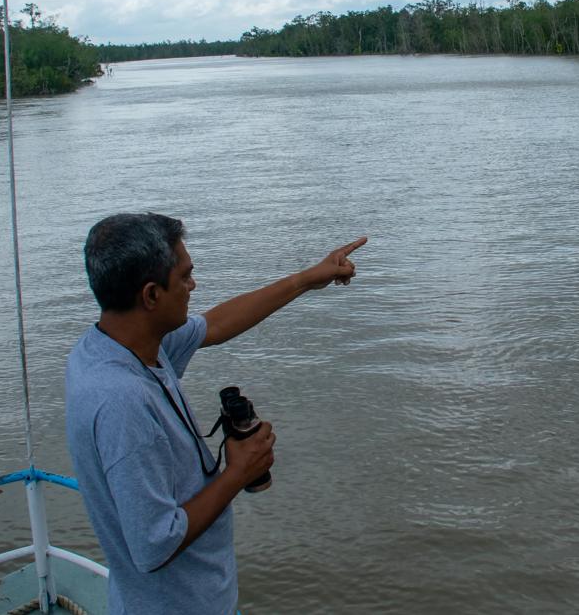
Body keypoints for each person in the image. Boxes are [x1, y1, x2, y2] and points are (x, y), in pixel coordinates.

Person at [65, 212, 366, 615]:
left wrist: (307, 279)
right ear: (151, 296)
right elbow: (153, 545)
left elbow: (217, 324)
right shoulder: (121, 402)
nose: (193, 286)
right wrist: (237, 472)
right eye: (185, 277)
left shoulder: (113, 346)